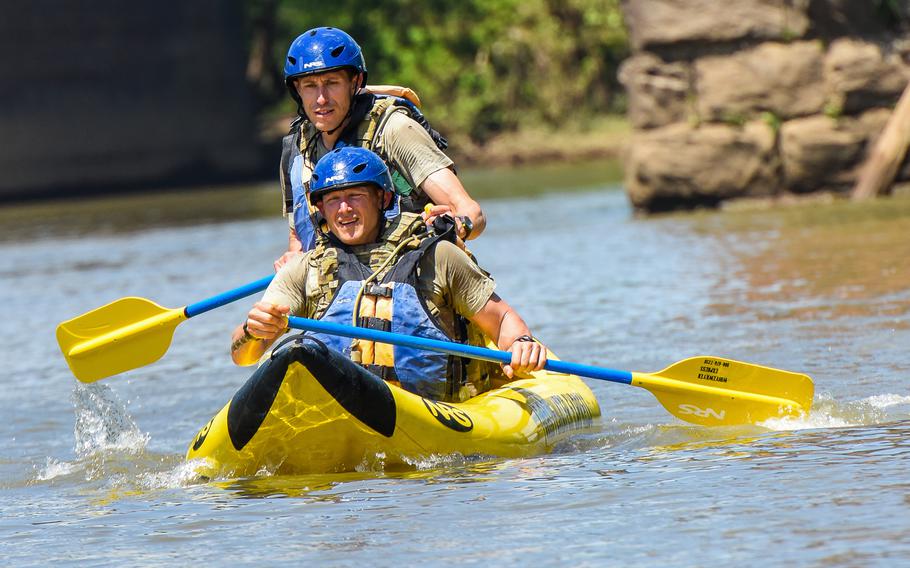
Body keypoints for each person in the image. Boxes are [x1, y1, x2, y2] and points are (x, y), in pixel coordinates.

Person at [234, 147, 545, 402]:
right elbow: (242, 355)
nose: (343, 209)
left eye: (354, 196)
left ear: (382, 199)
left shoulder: (437, 255)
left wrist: (521, 342)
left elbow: (502, 320)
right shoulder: (305, 269)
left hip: (432, 411)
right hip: (336, 411)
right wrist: (254, 331)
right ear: (321, 210)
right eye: (332, 200)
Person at [275, 26, 486, 269]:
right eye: (310, 86)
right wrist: (292, 260)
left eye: (332, 83)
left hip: (409, 275)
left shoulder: (394, 130)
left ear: (356, 82)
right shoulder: (297, 149)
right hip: (337, 287)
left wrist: (455, 225)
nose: (321, 99)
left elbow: (471, 212)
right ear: (297, 91)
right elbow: (298, 243)